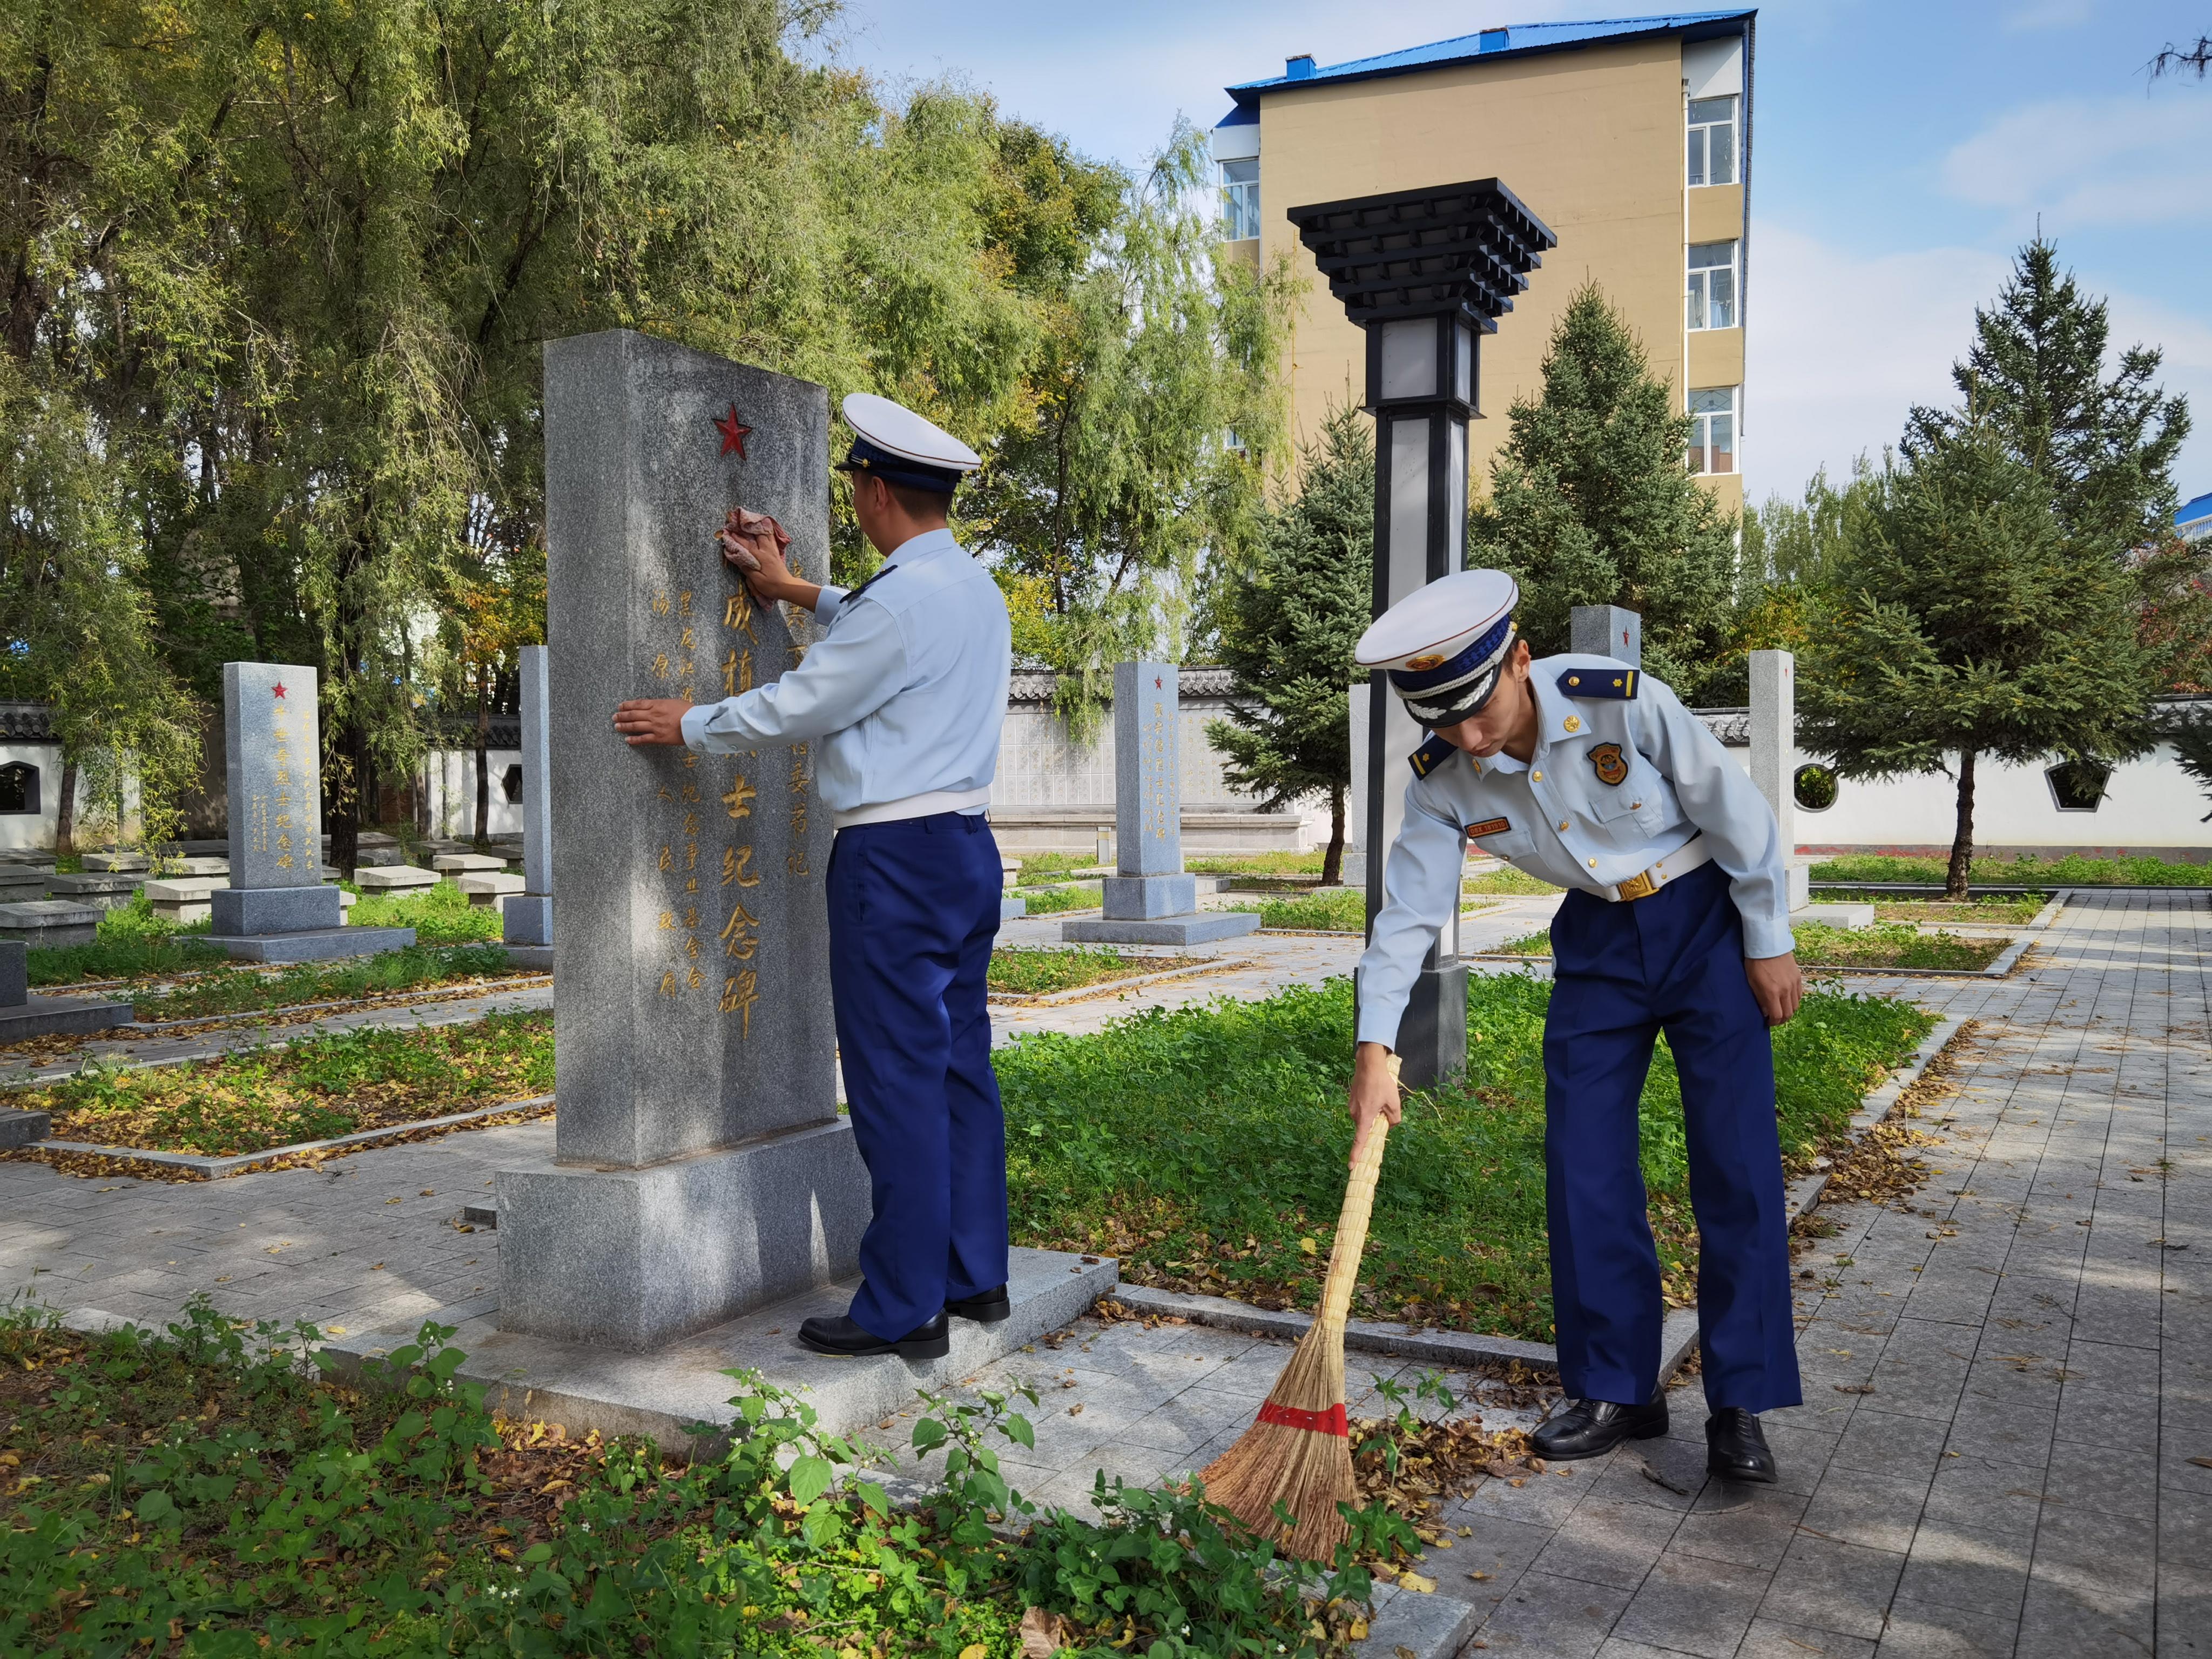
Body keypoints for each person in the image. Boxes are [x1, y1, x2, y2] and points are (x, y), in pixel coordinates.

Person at [1348, 569, 1804, 1482]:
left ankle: (1741, 1403)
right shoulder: (1443, 780)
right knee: (1583, 1159)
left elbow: (1737, 813)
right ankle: (1617, 1388)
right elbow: (1407, 915)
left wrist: (1768, 937)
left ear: (1521, 660)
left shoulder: (1621, 705)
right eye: (1445, 725)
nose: (1471, 740)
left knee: (1736, 1160)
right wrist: (1376, 1047)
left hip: (1705, 918)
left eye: (1480, 714)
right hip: (1598, 940)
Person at [612, 393, 1014, 1363]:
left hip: (895, 862)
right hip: (962, 848)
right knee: (958, 1066)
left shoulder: (904, 602)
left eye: (858, 486)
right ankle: (974, 1276)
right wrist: (791, 588)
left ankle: (903, 1307)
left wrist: (690, 725)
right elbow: (872, 622)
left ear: (876, 492)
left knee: (894, 1082)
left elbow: (805, 701)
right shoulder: (968, 587)